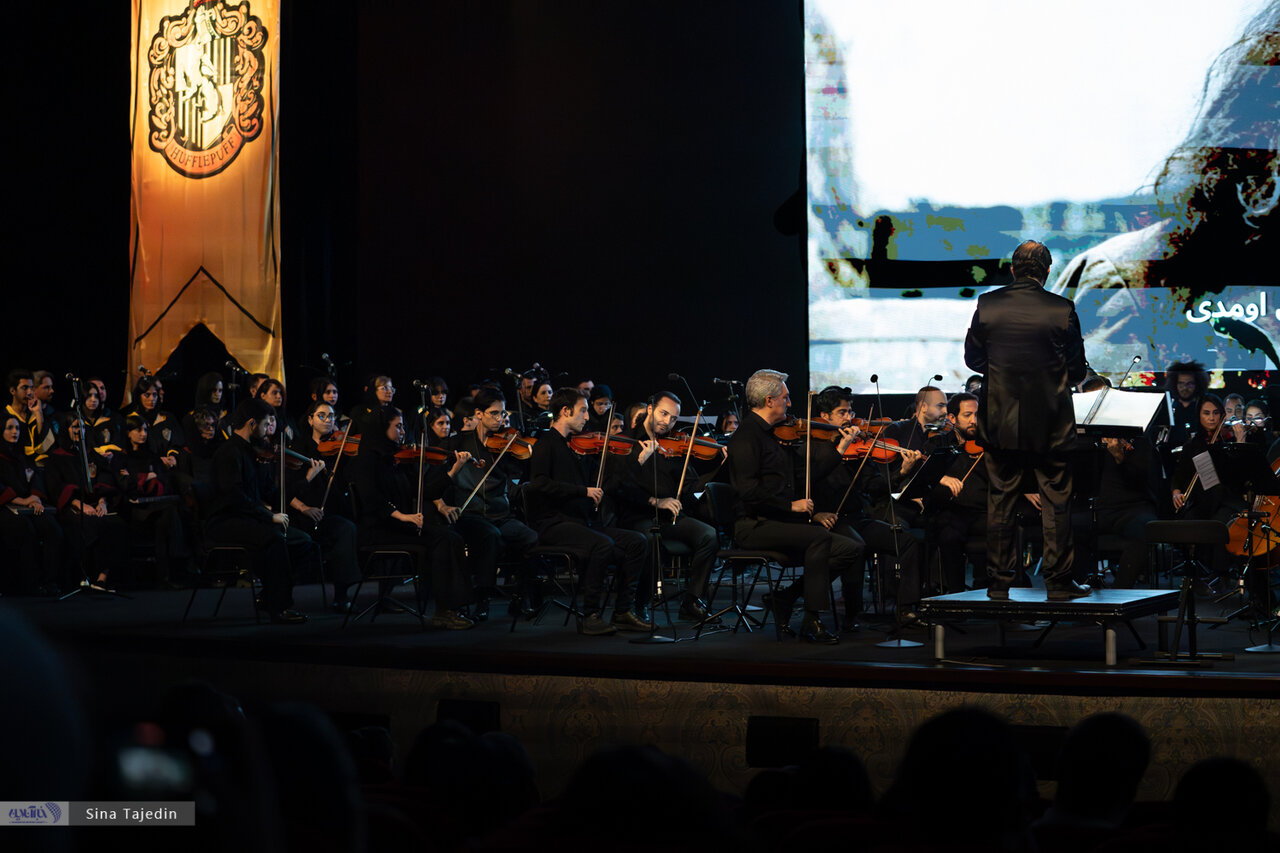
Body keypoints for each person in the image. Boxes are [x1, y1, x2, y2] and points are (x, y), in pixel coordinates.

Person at [965, 239, 1091, 600]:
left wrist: (1004, 372)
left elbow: (973, 360)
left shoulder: (988, 305)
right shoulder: (1062, 308)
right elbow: (1077, 369)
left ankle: (999, 584)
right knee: (1056, 503)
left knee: (1001, 501)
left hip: (1001, 421)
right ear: (1048, 271)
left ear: (1012, 269)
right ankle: (1059, 584)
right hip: (1051, 422)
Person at [726, 370, 861, 643]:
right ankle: (812, 620)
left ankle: (784, 598)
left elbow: (803, 477)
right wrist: (790, 506)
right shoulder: (746, 437)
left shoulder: (775, 435)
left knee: (852, 548)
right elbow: (748, 491)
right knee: (819, 538)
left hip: (778, 519)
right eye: (785, 398)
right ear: (769, 400)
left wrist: (841, 448)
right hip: (754, 524)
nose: (789, 404)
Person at [525, 387, 652, 635]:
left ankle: (623, 612)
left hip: (581, 523)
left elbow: (606, 485)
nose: (587, 417)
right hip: (554, 524)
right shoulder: (545, 444)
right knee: (602, 544)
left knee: (637, 541)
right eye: (583, 410)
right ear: (564, 411)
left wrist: (636, 463)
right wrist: (582, 492)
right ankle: (590, 615)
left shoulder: (578, 449)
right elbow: (539, 483)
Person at [352, 405, 475, 629]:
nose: (402, 432)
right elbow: (371, 499)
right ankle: (444, 610)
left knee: (451, 537)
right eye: (397, 427)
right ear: (382, 429)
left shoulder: (395, 459)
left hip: (399, 526)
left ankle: (455, 606)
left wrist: (454, 470)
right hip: (378, 529)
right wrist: (402, 516)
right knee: (442, 539)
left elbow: (424, 493)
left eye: (403, 427)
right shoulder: (366, 460)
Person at [617, 390, 726, 624]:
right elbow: (619, 487)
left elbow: (687, 486)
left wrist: (719, 466)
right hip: (637, 516)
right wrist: (654, 500)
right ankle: (639, 605)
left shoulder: (671, 446)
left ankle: (691, 602)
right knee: (650, 540)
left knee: (709, 535)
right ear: (650, 409)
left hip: (667, 517)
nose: (667, 422)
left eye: (674, 418)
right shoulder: (626, 443)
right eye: (663, 414)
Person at [206, 399, 306, 624]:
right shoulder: (229, 453)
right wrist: (269, 516)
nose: (267, 430)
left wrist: (302, 486)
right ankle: (279, 607)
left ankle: (268, 596)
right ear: (252, 423)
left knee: (302, 542)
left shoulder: (253, 452)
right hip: (226, 521)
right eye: (264, 424)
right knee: (274, 539)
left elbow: (268, 490)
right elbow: (235, 497)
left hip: (249, 518)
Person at [450, 388, 539, 620]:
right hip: (470, 514)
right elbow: (441, 477)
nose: (499, 419)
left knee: (530, 538)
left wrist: (519, 451)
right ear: (478, 414)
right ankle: (483, 599)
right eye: (494, 414)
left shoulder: (506, 446)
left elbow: (520, 474)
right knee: (490, 537)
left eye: (502, 414)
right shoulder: (458, 442)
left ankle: (520, 597)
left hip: (500, 514)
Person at [921, 391, 989, 595]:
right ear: (952, 418)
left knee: (1002, 527)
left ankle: (987, 591)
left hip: (982, 511)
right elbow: (923, 477)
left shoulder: (988, 444)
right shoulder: (937, 444)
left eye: (977, 415)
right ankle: (956, 595)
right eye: (967, 415)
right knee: (949, 534)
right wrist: (939, 477)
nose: (974, 421)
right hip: (950, 511)